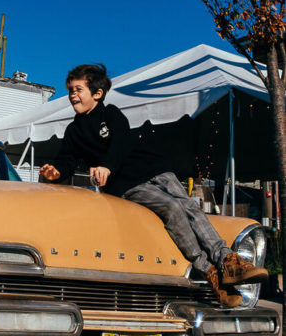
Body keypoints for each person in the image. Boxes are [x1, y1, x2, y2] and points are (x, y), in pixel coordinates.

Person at [39, 63, 268, 308]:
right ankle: (209, 271)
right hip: (128, 185)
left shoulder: (112, 114)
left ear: (97, 94)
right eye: (70, 90)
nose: (73, 94)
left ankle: (229, 262)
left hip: (155, 170)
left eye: (78, 89)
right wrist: (56, 172)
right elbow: (67, 160)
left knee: (189, 207)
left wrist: (106, 165)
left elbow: (121, 142)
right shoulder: (74, 131)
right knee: (172, 209)